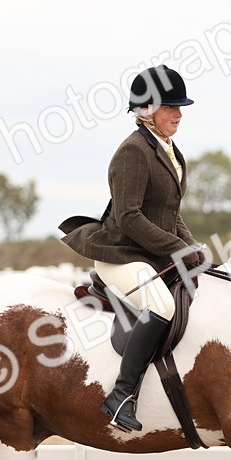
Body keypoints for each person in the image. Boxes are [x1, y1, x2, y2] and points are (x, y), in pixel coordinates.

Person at [59, 65, 206, 432]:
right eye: (170, 106)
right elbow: (128, 217)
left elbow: (170, 213)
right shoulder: (133, 152)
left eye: (179, 107)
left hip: (149, 253)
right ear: (147, 111)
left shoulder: (169, 150)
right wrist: (176, 249)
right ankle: (122, 395)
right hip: (121, 254)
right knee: (162, 304)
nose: (179, 113)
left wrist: (192, 247)